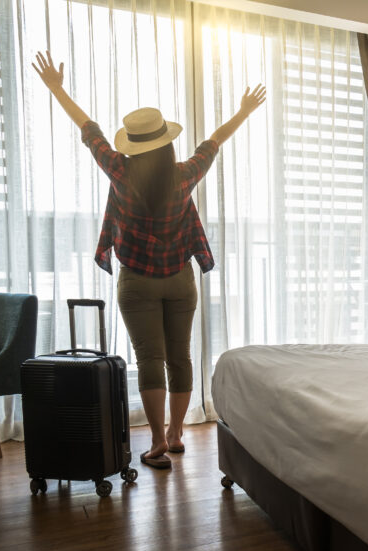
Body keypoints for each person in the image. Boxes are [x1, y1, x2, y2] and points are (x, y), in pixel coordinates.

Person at [32, 50, 266, 469]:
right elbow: (214, 141)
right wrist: (243, 111)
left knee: (149, 359)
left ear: (134, 144)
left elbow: (89, 130)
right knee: (181, 357)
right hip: (180, 278)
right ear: (166, 140)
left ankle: (157, 439)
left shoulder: (119, 171)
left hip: (136, 281)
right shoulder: (183, 173)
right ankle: (177, 435)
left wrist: (57, 89)